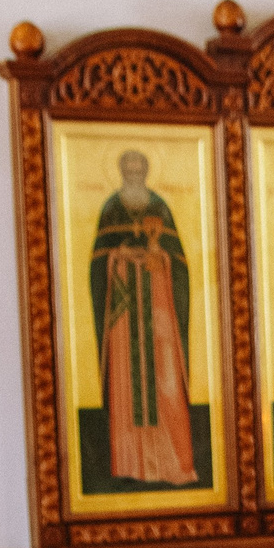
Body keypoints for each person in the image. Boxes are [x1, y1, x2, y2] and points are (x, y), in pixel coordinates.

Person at [91, 149, 199, 487]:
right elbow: (99, 264)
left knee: (164, 378)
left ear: (147, 172)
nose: (134, 175)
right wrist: (118, 257)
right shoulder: (111, 208)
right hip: (124, 313)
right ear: (122, 173)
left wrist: (159, 257)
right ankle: (131, 463)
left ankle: (169, 461)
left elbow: (178, 263)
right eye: (129, 170)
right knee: (128, 381)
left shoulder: (160, 208)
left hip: (158, 308)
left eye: (139, 170)